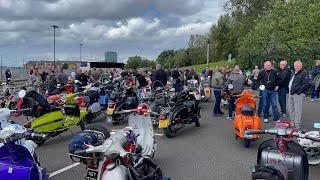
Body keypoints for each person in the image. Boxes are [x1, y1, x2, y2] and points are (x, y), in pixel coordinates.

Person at [287, 60, 309, 129]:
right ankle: (293, 122)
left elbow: (305, 84)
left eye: (298, 66)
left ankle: (297, 125)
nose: (296, 67)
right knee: (290, 108)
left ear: (301, 66)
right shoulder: (294, 73)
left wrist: (299, 92)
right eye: (295, 66)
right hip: (291, 93)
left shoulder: (304, 73)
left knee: (297, 110)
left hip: (297, 94)